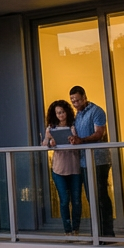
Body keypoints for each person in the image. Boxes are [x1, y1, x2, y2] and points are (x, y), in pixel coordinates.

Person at [68, 86, 113, 236]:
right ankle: (96, 233)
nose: (75, 103)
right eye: (72, 101)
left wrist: (82, 140)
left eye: (77, 100)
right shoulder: (77, 116)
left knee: (100, 196)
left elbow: (99, 133)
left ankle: (107, 233)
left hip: (99, 160)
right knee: (90, 197)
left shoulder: (97, 111)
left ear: (85, 97)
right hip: (83, 161)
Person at [41, 99, 83, 235]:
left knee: (76, 200)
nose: (60, 115)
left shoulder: (73, 126)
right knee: (64, 200)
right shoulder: (51, 128)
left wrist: (73, 140)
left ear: (67, 112)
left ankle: (76, 228)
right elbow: (43, 145)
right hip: (58, 169)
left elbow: (80, 145)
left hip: (74, 168)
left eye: (63, 112)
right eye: (58, 113)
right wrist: (50, 141)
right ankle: (67, 230)